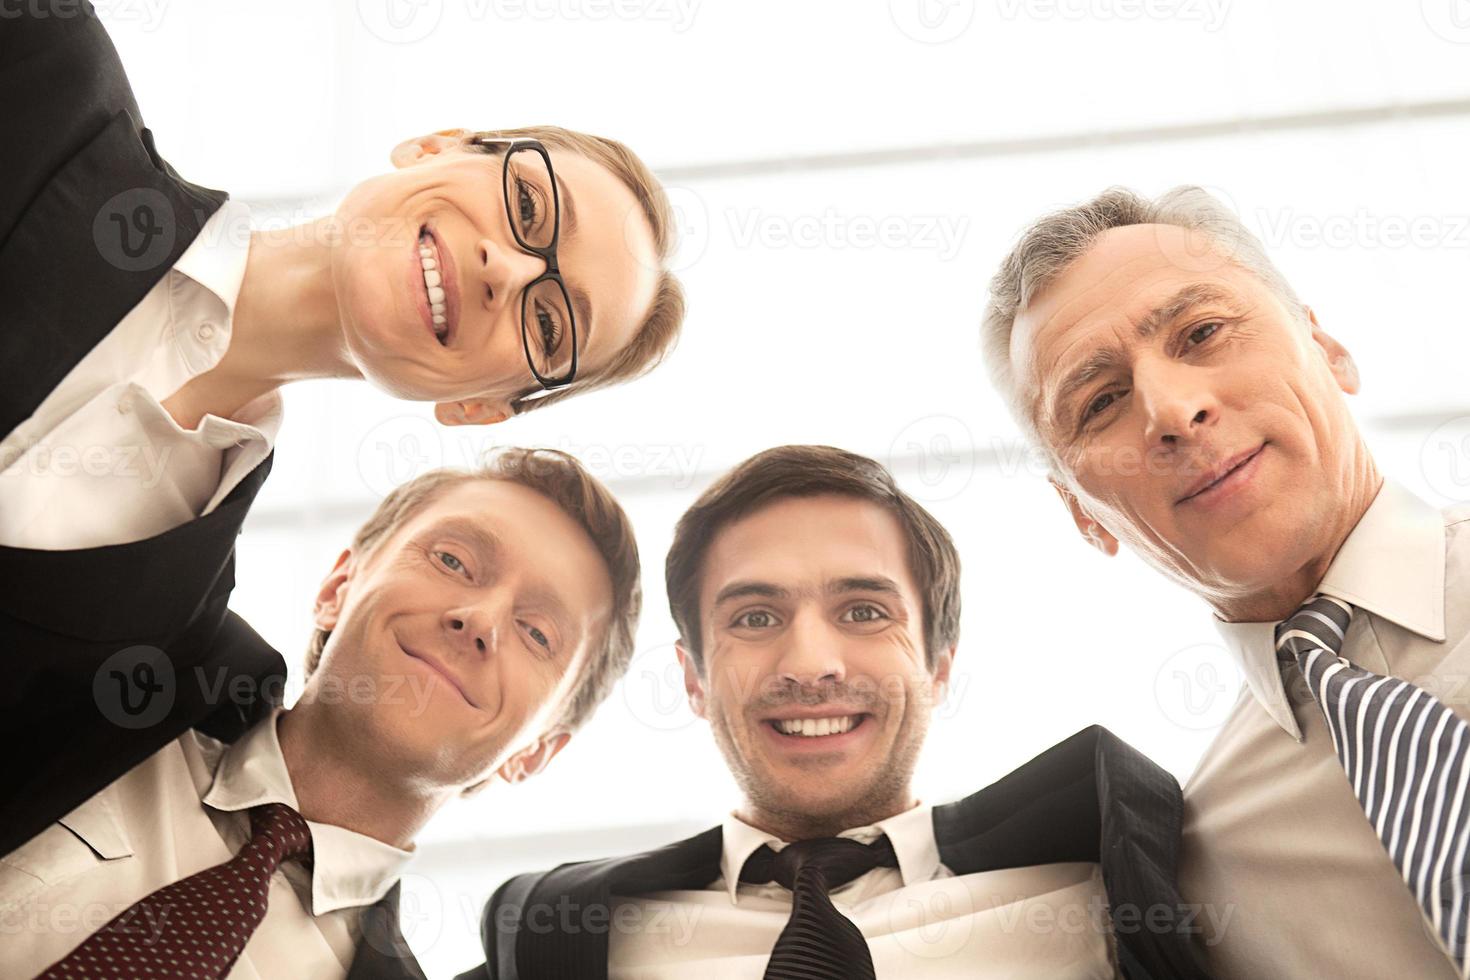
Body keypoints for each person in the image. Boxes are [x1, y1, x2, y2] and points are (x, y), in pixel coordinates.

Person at [0, 1, 684, 852]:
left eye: (550, 326)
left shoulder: (172, 657)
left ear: (479, 407)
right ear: (436, 144)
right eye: (529, 208)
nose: (507, 269)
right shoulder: (36, 61)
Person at [459, 446, 1212, 980]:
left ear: (937, 665)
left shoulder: (1109, 889)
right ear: (692, 679)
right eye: (754, 618)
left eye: (862, 610)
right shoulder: (562, 935)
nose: (810, 663)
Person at [980, 185, 1470, 977]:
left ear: (1327, 346)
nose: (1173, 412)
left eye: (1203, 332)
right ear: (1083, 514)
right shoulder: (1191, 883)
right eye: (1102, 401)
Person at [0, 448, 644, 980]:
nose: (478, 620)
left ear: (536, 752)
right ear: (339, 588)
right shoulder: (97, 683)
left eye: (536, 633)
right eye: (452, 561)